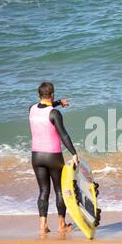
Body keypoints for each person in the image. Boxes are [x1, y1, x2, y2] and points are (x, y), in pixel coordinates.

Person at [29, 82, 79, 235]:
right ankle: (62, 224)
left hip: (36, 156)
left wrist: (58, 103)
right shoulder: (55, 114)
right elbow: (64, 134)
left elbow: (45, 107)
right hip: (53, 156)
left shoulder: (31, 108)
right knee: (60, 190)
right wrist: (74, 153)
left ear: (39, 95)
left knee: (43, 191)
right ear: (52, 95)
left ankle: (42, 226)